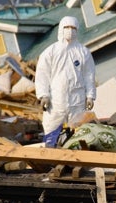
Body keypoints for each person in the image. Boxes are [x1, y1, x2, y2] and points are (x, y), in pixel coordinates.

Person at [35, 16, 96, 147]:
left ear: (77, 30)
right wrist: (43, 95)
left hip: (77, 99)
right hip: (56, 99)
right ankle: (51, 155)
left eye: (73, 28)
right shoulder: (51, 51)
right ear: (61, 29)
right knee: (52, 127)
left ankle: (75, 157)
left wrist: (90, 96)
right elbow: (42, 74)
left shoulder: (83, 52)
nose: (70, 30)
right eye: (67, 27)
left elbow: (89, 75)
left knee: (77, 130)